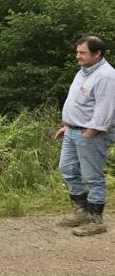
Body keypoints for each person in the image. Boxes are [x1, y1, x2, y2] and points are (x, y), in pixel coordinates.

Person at [54, 35, 115, 236]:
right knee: (68, 169)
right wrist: (68, 127)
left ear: (97, 54)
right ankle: (81, 212)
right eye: (77, 52)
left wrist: (89, 133)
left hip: (91, 134)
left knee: (92, 177)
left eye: (83, 53)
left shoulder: (106, 76)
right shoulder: (83, 72)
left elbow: (105, 110)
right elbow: (79, 102)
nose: (77, 56)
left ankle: (96, 220)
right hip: (73, 131)